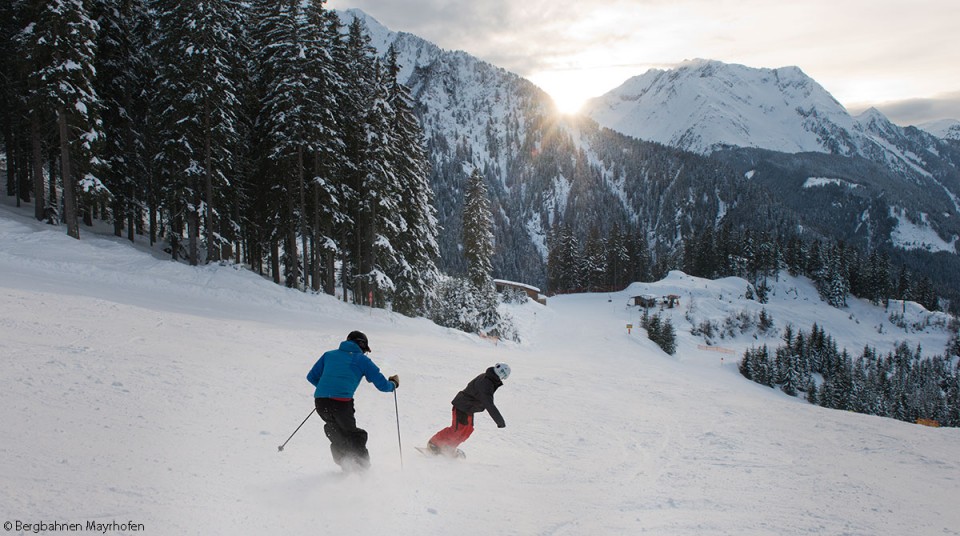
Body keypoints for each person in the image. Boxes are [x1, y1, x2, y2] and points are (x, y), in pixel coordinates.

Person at [306, 331, 398, 471]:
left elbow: (312, 377)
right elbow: (381, 385)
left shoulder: (328, 355)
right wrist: (393, 385)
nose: (364, 353)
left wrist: (328, 390)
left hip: (320, 402)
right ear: (361, 345)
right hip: (341, 404)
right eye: (364, 350)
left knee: (335, 430)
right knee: (355, 435)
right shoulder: (361, 360)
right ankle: (363, 469)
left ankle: (345, 463)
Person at [427, 363, 510, 457]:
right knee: (456, 430)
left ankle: (449, 447)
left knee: (467, 431)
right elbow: (489, 404)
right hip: (462, 405)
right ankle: (434, 443)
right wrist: (499, 421)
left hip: (469, 408)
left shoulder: (489, 379)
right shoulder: (486, 383)